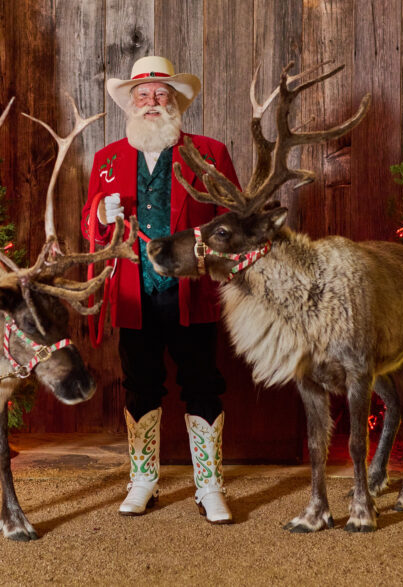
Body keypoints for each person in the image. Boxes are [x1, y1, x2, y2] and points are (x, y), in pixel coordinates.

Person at [81, 55, 240, 524]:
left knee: (202, 384)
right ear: (131, 103)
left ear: (175, 101)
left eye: (161, 94)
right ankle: (143, 482)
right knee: (141, 384)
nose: (152, 102)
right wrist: (101, 217)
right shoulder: (106, 160)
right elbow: (89, 228)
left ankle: (209, 486)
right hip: (134, 293)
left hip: (192, 292)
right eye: (143, 95)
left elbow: (231, 221)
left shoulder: (208, 153)